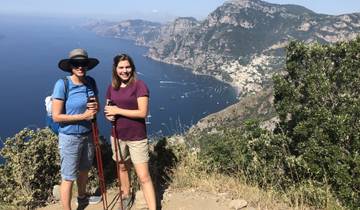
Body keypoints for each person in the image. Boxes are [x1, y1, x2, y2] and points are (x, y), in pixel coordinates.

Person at [104, 54, 156, 210]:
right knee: (122, 168)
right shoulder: (112, 87)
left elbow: (143, 112)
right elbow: (108, 111)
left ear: (132, 68)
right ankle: (126, 195)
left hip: (136, 137)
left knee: (143, 176)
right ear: (115, 69)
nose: (124, 71)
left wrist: (117, 110)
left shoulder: (140, 86)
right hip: (118, 136)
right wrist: (110, 116)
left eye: (127, 67)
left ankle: (153, 207)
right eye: (121, 67)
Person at [52, 48, 101, 210]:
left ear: (87, 65)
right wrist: (83, 116)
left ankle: (81, 197)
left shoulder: (91, 82)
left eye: (83, 64)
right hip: (69, 137)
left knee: (84, 170)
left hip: (88, 134)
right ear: (70, 66)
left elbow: (96, 108)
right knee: (68, 177)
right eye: (76, 64)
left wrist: (95, 109)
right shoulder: (63, 84)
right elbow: (56, 116)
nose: (80, 67)